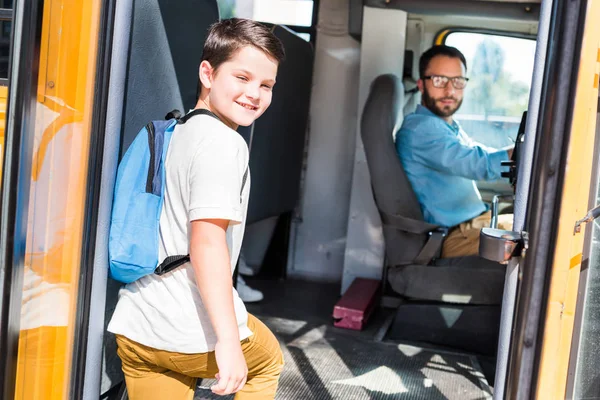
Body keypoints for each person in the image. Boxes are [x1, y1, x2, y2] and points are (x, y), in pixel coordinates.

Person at [107, 19, 285, 400]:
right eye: (242, 77)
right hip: (187, 331)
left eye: (266, 85)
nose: (254, 94)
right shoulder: (224, 144)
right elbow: (206, 242)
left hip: (137, 325)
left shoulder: (176, 129)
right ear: (208, 72)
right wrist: (228, 342)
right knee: (266, 362)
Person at [395, 45, 513, 258]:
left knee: (538, 224)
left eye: (457, 82)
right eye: (439, 80)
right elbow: (478, 164)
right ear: (422, 84)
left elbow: (476, 152)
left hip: (473, 224)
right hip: (456, 235)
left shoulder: (444, 126)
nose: (450, 91)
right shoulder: (422, 129)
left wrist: (513, 155)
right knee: (541, 240)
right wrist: (517, 157)